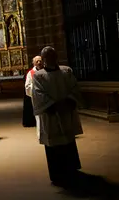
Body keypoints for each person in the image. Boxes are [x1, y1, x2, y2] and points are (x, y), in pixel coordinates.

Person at [32, 46, 84, 187]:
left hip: (66, 112)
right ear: (43, 59)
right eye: (47, 57)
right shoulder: (39, 76)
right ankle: (57, 173)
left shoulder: (66, 71)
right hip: (51, 113)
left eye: (52, 56)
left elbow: (74, 87)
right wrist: (51, 105)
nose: (50, 59)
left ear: (56, 57)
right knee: (53, 143)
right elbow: (38, 94)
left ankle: (72, 169)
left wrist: (70, 100)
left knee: (68, 141)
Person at [24, 56, 43, 135]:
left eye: (40, 61)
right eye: (37, 61)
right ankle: (41, 135)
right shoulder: (31, 73)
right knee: (39, 116)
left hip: (48, 97)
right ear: (34, 63)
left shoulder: (46, 70)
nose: (39, 63)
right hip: (37, 98)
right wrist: (37, 88)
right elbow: (27, 87)